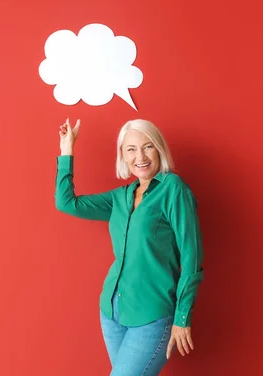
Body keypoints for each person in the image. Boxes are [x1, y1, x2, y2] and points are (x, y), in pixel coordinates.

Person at [55, 118, 204, 375]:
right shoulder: (120, 197)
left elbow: (192, 256)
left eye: (148, 147)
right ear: (123, 155)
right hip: (111, 312)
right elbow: (67, 203)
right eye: (131, 149)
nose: (140, 156)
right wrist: (67, 150)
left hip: (151, 316)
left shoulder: (173, 190)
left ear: (159, 149)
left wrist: (182, 318)